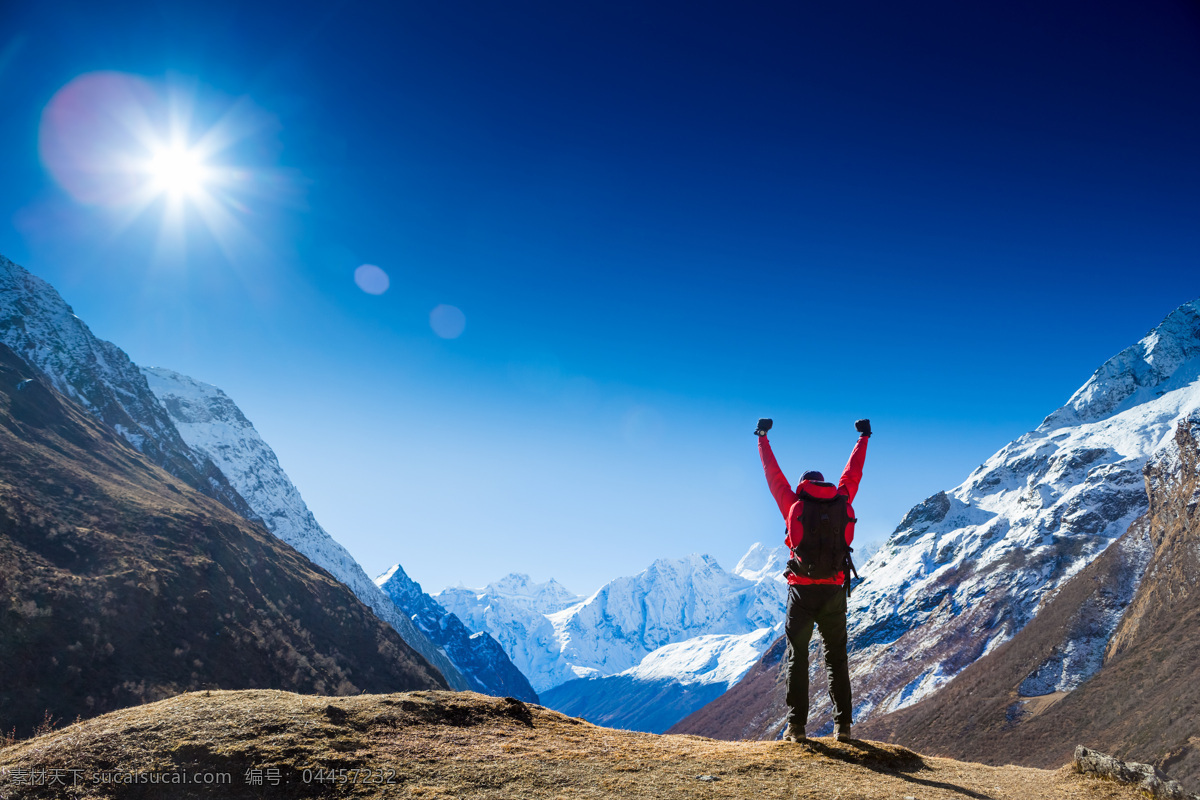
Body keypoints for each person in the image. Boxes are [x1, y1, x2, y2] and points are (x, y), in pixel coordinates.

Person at [755, 417, 871, 743]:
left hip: (801, 593)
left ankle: (796, 728)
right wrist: (863, 437)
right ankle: (843, 727)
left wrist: (762, 437)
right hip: (834, 590)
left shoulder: (793, 503)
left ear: (803, 485)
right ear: (825, 485)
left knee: (798, 657)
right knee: (836, 657)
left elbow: (772, 473)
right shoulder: (842, 499)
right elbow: (853, 471)